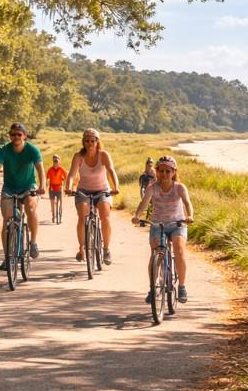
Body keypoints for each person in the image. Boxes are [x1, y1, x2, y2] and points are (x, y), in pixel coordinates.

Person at [131, 156, 194, 303]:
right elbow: (144, 203)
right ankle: (153, 288)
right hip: (157, 225)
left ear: (173, 172)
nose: (164, 174)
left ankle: (182, 287)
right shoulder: (152, 187)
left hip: (177, 224)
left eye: (168, 171)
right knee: (156, 253)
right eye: (161, 171)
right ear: (157, 172)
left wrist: (190, 216)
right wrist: (137, 216)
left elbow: (187, 203)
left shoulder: (179, 187)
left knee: (179, 249)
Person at [0, 121, 44, 269]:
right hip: (9, 188)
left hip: (28, 186)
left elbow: (40, 169)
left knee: (31, 209)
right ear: (10, 136)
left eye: (18, 134)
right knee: (7, 219)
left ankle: (33, 243)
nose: (15, 137)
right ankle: (7, 257)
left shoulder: (32, 150)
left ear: (25, 136)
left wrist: (42, 186)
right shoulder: (3, 150)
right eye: (12, 134)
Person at [65, 128, 120, 264]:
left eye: (92, 141)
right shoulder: (78, 156)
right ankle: (81, 248)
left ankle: (106, 249)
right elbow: (71, 174)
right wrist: (68, 187)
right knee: (82, 216)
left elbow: (111, 171)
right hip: (83, 191)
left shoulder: (103, 155)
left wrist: (116, 187)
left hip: (102, 190)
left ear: (97, 142)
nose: (89, 144)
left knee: (105, 216)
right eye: (87, 141)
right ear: (83, 142)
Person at [46, 154, 67, 223]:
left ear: (59, 161)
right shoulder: (50, 169)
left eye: (57, 160)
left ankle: (60, 210)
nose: (55, 161)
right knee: (52, 202)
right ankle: (53, 214)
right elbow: (47, 178)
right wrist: (47, 185)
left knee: (61, 200)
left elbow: (66, 177)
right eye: (54, 160)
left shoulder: (62, 169)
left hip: (59, 187)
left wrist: (65, 185)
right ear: (53, 161)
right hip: (52, 187)